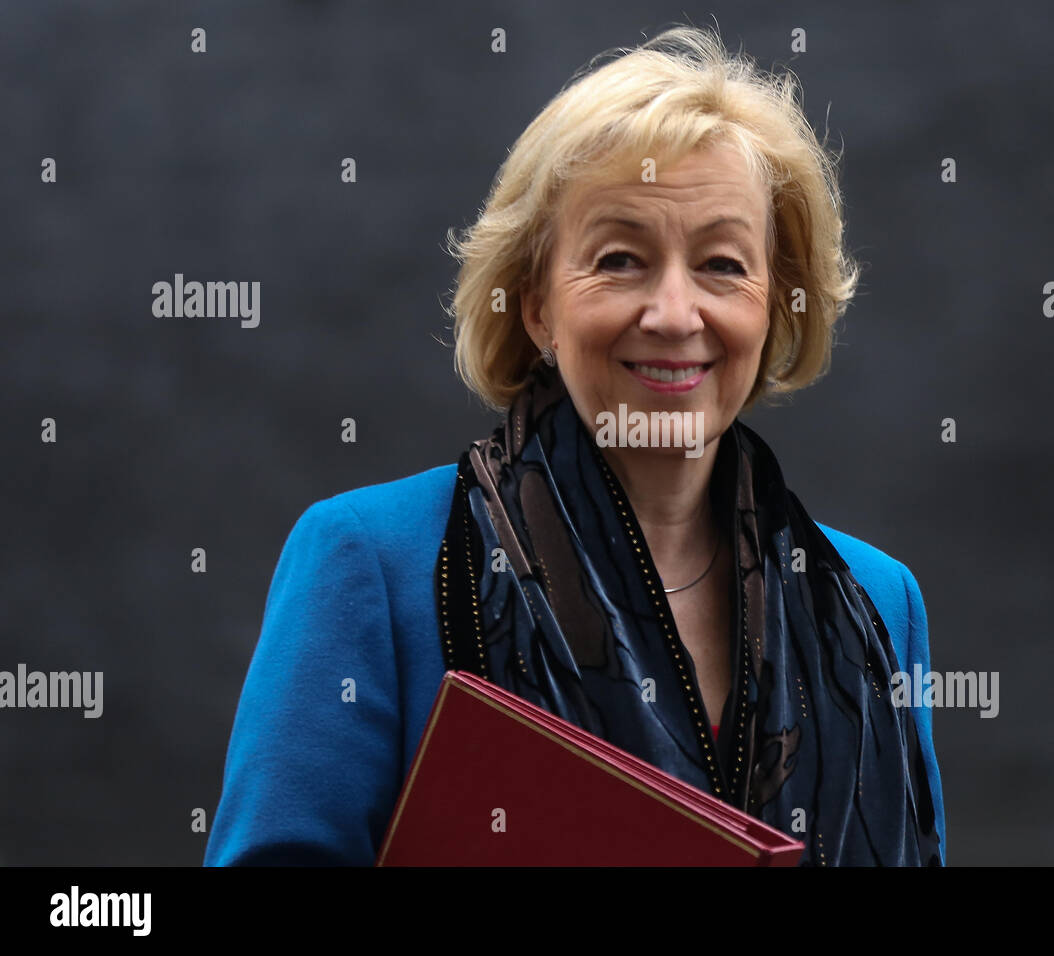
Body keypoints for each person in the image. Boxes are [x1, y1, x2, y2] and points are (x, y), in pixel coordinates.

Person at [205, 25, 945, 867]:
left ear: (778, 306)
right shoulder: (370, 563)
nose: (674, 314)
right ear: (534, 308)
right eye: (621, 258)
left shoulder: (880, 604)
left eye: (723, 265)